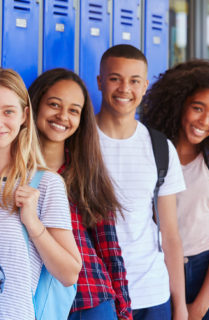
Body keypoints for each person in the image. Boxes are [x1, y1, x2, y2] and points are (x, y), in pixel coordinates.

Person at [28, 68, 133, 320]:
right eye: (54, 104)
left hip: (89, 300)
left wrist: (124, 311)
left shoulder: (86, 172)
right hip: (32, 301)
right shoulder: (14, 170)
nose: (63, 116)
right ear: (34, 106)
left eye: (74, 110)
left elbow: (109, 249)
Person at [95, 44, 188, 320]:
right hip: (99, 295)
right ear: (100, 81)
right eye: (115, 79)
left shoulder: (160, 146)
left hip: (153, 294)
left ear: (145, 85)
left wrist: (180, 305)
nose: (125, 88)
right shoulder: (79, 142)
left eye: (134, 81)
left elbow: (170, 235)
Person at [0, 68, 82, 320]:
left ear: (25, 116)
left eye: (8, 112)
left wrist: (33, 223)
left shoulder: (45, 184)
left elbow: (69, 274)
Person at [142, 59, 209, 320]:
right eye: (198, 108)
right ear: (178, 104)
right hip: (157, 269)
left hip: (208, 273)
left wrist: (200, 306)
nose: (205, 121)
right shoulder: (151, 150)